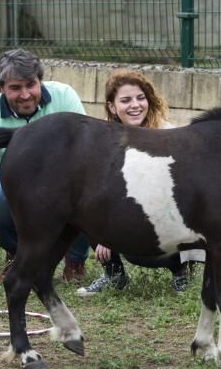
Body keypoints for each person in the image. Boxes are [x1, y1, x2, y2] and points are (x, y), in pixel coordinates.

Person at [0, 49, 90, 285]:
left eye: (31, 85)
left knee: (83, 186)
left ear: (40, 81)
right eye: (16, 88)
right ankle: (18, 256)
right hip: (16, 185)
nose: (26, 94)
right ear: (1, 89)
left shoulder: (65, 97)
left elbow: (87, 160)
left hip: (63, 180)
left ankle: (75, 260)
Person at [77, 69, 204, 297]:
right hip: (128, 223)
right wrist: (103, 234)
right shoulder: (106, 140)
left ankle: (181, 272)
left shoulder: (169, 135)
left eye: (140, 98)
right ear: (112, 107)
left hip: (170, 224)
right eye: (125, 100)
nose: (135, 105)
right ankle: (114, 275)